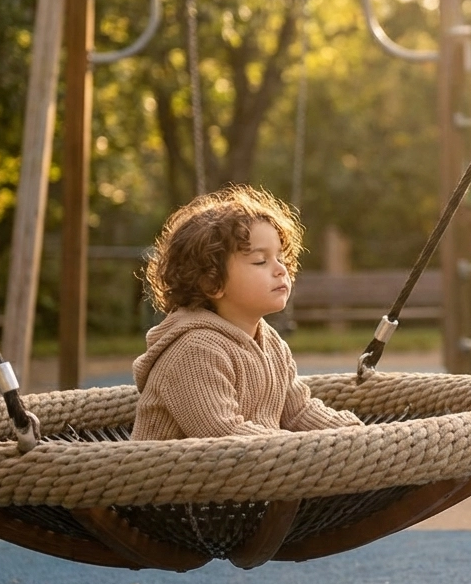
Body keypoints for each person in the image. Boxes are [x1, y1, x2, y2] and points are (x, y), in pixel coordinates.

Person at [131, 185, 363, 440]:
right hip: (177, 476)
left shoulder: (271, 342)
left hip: (252, 467)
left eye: (281, 259)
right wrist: (295, 448)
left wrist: (354, 432)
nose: (280, 270)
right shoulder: (193, 351)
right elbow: (224, 434)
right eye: (260, 261)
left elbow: (298, 413)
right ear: (212, 283)